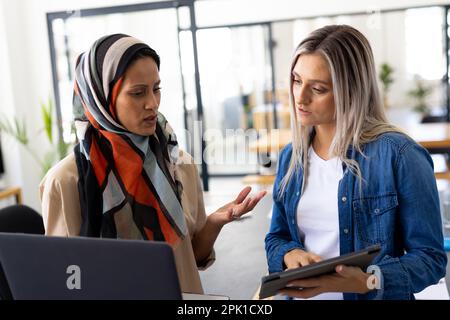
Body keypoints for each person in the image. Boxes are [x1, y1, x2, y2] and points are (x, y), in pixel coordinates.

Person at [40, 34, 266, 294]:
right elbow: (65, 283)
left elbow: (191, 258)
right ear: (102, 98)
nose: (153, 103)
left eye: (156, 88)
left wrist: (215, 222)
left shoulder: (178, 164)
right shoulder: (67, 182)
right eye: (138, 93)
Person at [265, 25, 447, 300]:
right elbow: (276, 237)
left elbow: (431, 259)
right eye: (296, 80)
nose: (300, 97)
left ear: (351, 91)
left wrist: (368, 281)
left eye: (318, 88)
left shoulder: (400, 155)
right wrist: (290, 254)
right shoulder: (292, 157)